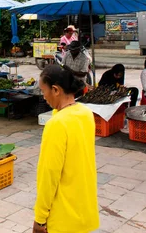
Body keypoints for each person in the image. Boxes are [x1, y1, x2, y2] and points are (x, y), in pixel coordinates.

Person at [33, 64, 99, 233]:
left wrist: (40, 219)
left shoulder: (56, 125)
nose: (44, 97)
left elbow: (49, 176)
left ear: (55, 90)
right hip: (85, 211)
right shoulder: (86, 114)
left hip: (63, 219)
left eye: (43, 91)